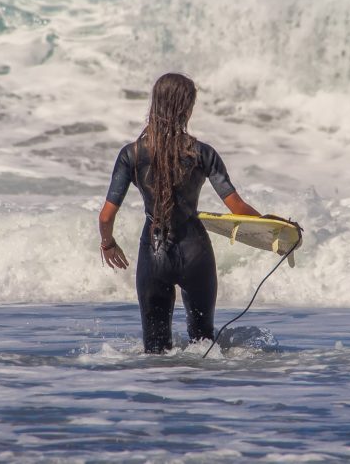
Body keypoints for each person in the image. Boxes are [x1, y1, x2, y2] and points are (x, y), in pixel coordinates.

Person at [98, 73, 263, 353]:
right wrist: (271, 226)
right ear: (186, 108)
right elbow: (237, 208)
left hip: (154, 253)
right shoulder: (202, 153)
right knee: (204, 345)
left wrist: (108, 243)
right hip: (196, 253)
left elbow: (105, 216)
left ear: (155, 104)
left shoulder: (131, 154)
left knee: (155, 351)